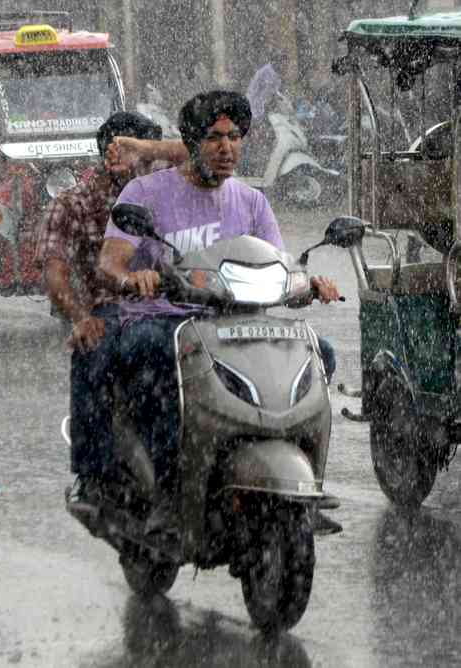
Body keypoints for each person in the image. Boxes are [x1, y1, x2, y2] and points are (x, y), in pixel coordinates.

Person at [99, 90, 340, 534]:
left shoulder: (251, 202)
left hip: (235, 324)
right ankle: (167, 496)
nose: (226, 148)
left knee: (319, 354)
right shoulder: (146, 193)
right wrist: (134, 278)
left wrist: (310, 286)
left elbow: (279, 269)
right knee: (160, 367)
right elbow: (110, 261)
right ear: (191, 143)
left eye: (234, 137)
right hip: (163, 320)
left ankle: (301, 481)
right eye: (214, 138)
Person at [35, 111, 166, 498]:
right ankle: (91, 473)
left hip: (178, 307)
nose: (149, 166)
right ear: (110, 156)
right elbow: (54, 271)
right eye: (137, 155)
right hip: (115, 311)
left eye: (151, 156)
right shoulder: (73, 204)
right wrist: (79, 317)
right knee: (92, 349)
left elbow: (199, 156)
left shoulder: (172, 194)